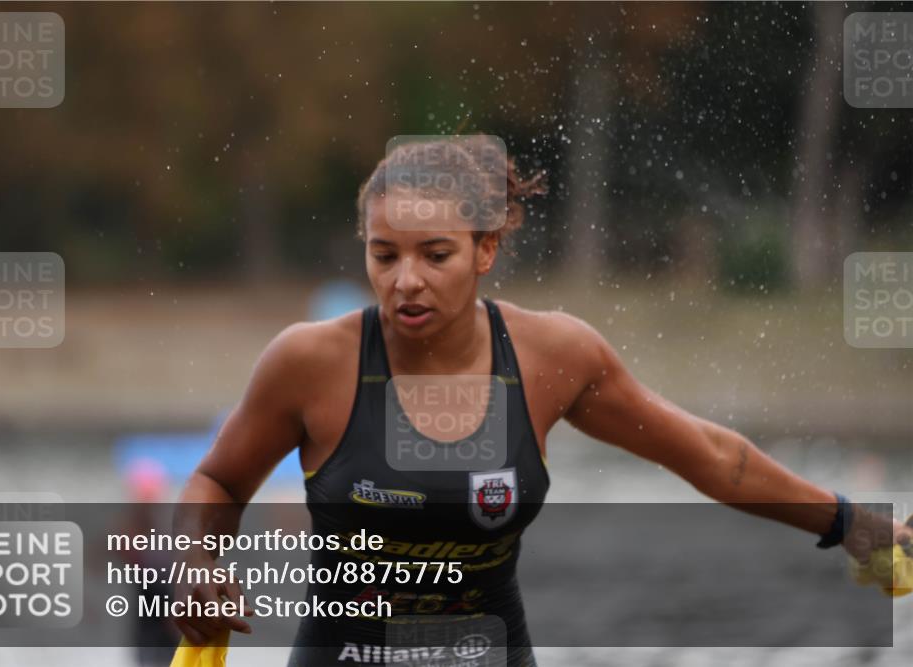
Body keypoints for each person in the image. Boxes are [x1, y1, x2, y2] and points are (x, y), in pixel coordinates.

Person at [173, 136, 912, 666]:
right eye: (384, 254)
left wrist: (848, 522)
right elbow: (218, 480)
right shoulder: (310, 362)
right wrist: (196, 556)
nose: (405, 281)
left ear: (485, 249)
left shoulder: (553, 358)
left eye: (436, 255)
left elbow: (714, 459)